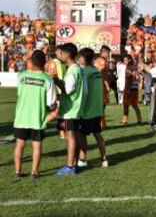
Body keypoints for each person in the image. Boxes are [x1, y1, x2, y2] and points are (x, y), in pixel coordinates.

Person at [13, 50, 58, 178]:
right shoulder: (47, 80)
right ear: (44, 63)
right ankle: (34, 172)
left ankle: (17, 171)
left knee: (19, 144)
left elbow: (19, 93)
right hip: (37, 118)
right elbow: (51, 103)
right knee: (36, 145)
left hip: (21, 117)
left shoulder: (21, 76)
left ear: (31, 61)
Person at [53, 43, 84, 176]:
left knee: (70, 136)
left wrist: (56, 80)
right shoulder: (79, 69)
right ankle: (74, 164)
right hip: (76, 109)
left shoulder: (72, 70)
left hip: (70, 110)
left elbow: (68, 90)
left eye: (61, 53)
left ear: (67, 54)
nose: (60, 55)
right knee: (74, 136)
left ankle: (70, 166)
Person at [76, 48, 108, 168]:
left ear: (84, 58)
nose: (79, 59)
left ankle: (82, 160)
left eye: (80, 57)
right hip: (97, 109)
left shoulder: (84, 72)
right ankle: (104, 159)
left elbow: (85, 91)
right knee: (98, 135)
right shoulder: (97, 72)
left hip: (86, 110)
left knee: (81, 135)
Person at [122, 56, 143, 125]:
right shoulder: (135, 67)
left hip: (129, 88)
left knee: (126, 104)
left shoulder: (129, 68)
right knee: (134, 104)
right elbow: (138, 77)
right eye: (124, 60)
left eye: (126, 60)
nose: (124, 61)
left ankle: (125, 120)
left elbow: (130, 78)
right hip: (135, 88)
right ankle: (139, 119)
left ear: (129, 60)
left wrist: (127, 88)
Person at [95, 57, 110, 129]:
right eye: (102, 65)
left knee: (102, 109)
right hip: (97, 94)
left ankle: (103, 124)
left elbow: (104, 79)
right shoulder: (94, 72)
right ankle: (100, 125)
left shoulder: (101, 72)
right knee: (99, 109)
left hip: (102, 93)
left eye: (104, 65)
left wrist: (107, 86)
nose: (103, 66)